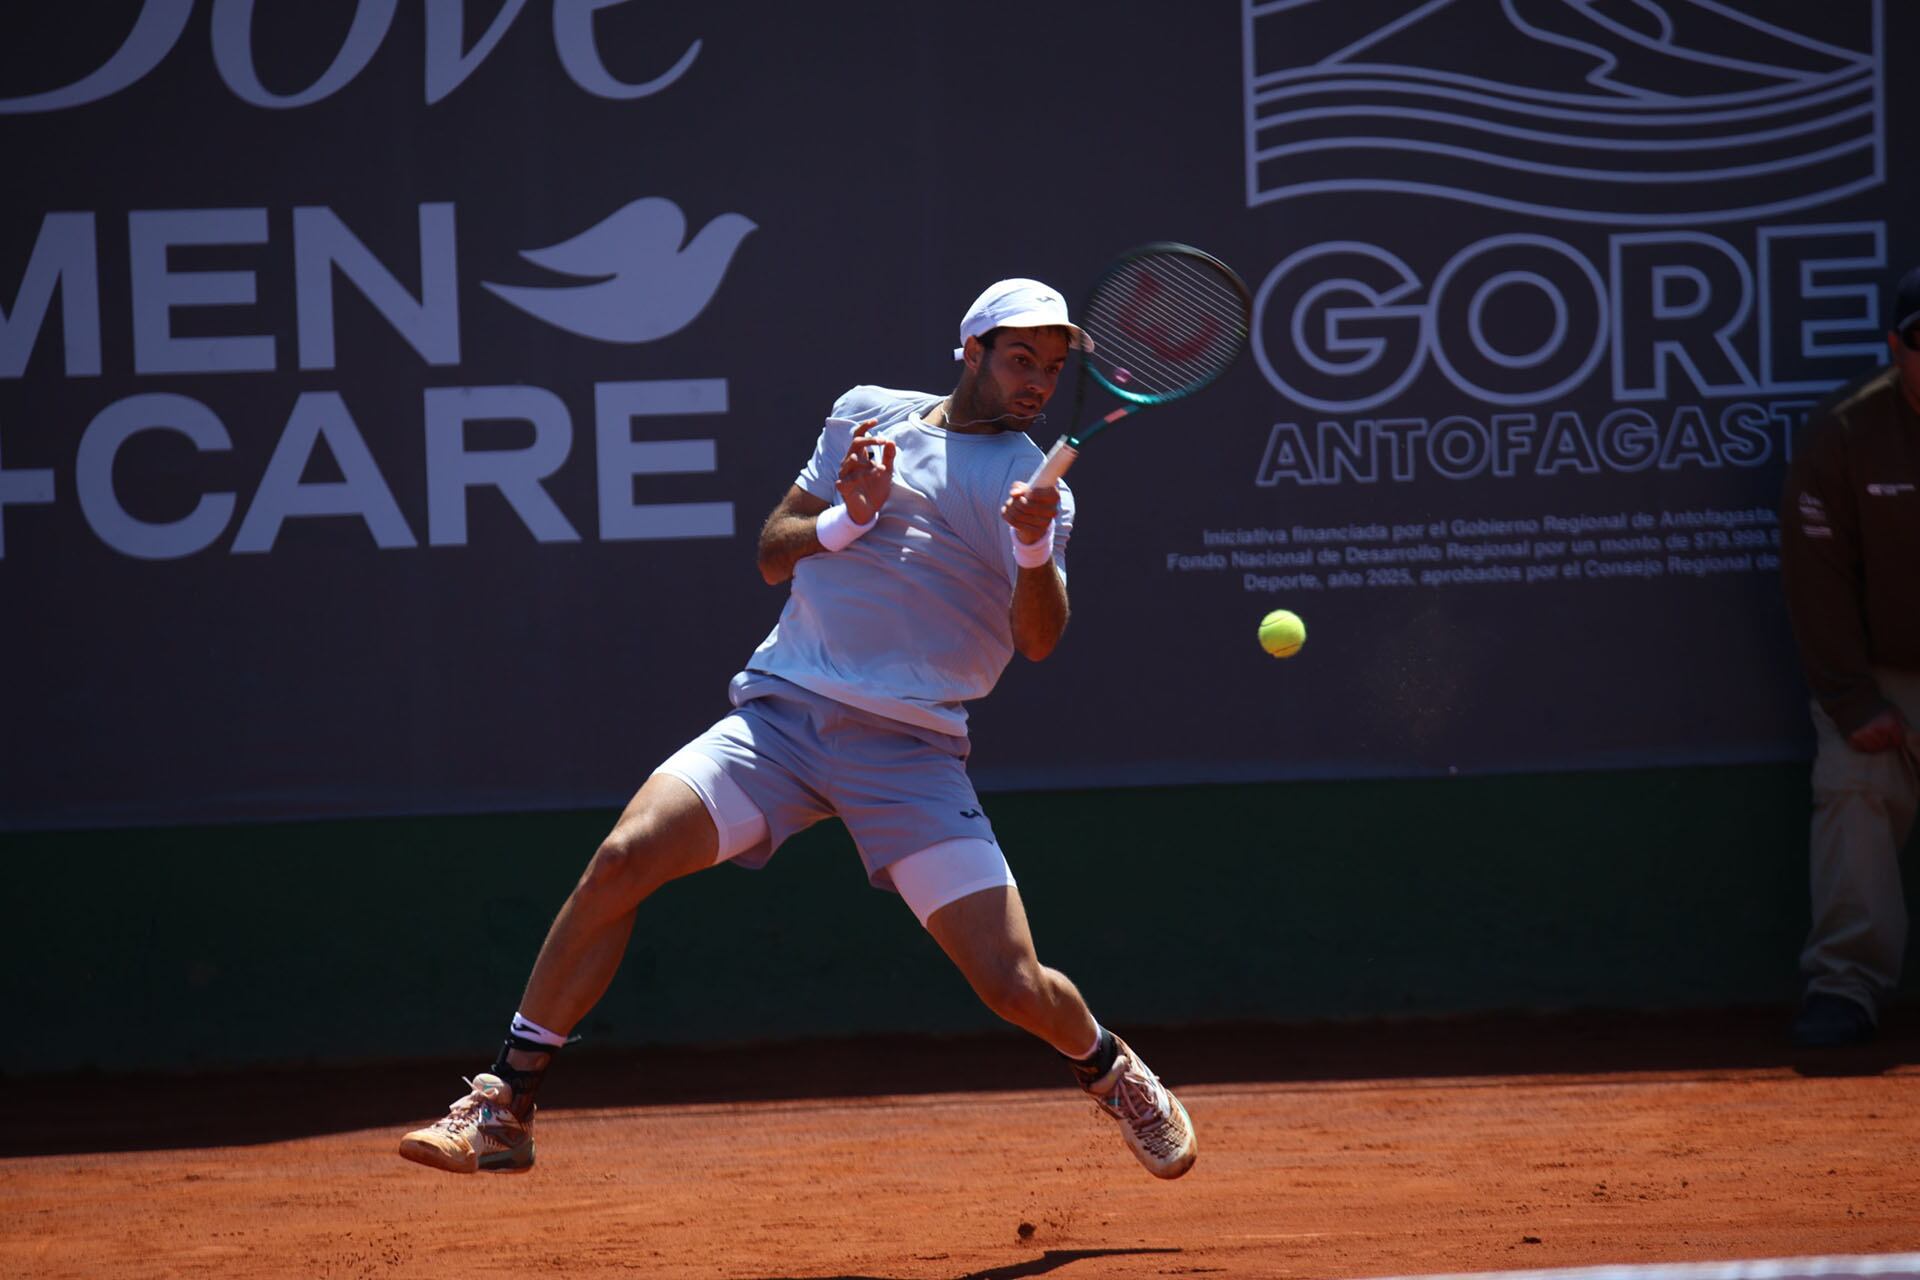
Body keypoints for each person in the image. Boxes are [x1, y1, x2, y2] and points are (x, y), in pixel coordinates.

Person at [397, 278, 1197, 1178]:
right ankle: (504, 1108)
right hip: (781, 722)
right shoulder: (866, 415)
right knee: (623, 859)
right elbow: (774, 551)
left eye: (1051, 368)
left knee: (1012, 983)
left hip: (908, 751)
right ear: (970, 352)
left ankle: (1110, 1070)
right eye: (1020, 359)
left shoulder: (1032, 486)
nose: (1038, 384)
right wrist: (851, 517)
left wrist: (1033, 545)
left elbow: (1038, 642)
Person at [1778, 265, 1920, 1048]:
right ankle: (1845, 989)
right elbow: (1816, 579)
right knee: (1854, 784)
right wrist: (1853, 700)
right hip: (1884, 676)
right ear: (1896, 346)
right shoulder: (1845, 432)